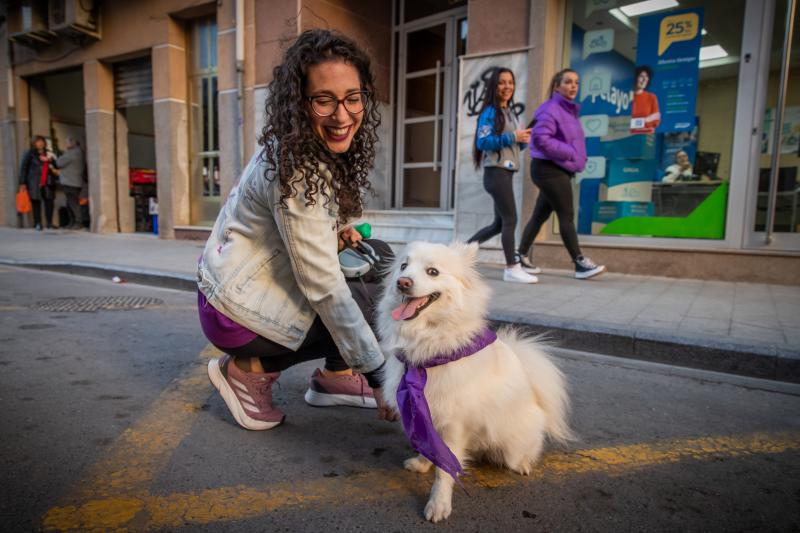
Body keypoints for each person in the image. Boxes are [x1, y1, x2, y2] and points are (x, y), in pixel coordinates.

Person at [197, 29, 399, 431]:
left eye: (352, 98)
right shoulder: (299, 170)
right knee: (369, 294)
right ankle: (248, 371)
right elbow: (323, 286)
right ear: (300, 103)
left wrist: (336, 229)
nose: (342, 115)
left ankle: (337, 377)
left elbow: (304, 224)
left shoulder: (299, 146)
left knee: (380, 259)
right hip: (236, 314)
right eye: (324, 100)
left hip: (231, 290)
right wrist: (379, 376)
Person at [517, 69, 606, 280]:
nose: (573, 86)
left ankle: (520, 255)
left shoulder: (567, 111)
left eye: (576, 82)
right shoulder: (550, 109)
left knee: (540, 215)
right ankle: (580, 263)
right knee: (566, 215)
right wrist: (570, 153)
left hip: (556, 169)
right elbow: (540, 139)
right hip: (549, 170)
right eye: (568, 82)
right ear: (557, 86)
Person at [466, 67, 536, 284]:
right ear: (494, 87)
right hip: (496, 173)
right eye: (502, 83)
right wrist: (513, 136)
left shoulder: (510, 112)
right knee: (510, 219)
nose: (507, 87)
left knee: (498, 224)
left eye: (511, 82)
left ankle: (460, 254)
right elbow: (483, 142)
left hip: (505, 171)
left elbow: (511, 145)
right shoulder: (490, 112)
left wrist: (521, 140)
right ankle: (511, 268)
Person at [18, 135, 58, 230]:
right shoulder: (30, 154)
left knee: (49, 202)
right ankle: (38, 223)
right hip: (34, 181)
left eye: (42, 141)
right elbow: (24, 168)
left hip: (48, 181)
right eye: (38, 141)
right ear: (34, 143)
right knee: (36, 203)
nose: (40, 143)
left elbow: (56, 167)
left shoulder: (49, 154)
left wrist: (52, 161)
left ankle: (49, 223)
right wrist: (22, 182)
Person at [56, 136, 86, 229]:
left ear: (73, 143)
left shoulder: (73, 153)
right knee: (69, 203)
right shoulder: (78, 152)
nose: (66, 144)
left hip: (71, 182)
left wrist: (62, 154)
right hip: (72, 182)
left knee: (73, 203)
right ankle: (72, 222)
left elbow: (59, 163)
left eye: (67, 142)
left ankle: (78, 222)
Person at [630, 65, 660, 134]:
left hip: (645, 136)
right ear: (635, 78)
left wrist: (634, 122)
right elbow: (625, 123)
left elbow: (656, 122)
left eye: (646, 77)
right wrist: (646, 120)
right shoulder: (626, 96)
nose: (644, 79)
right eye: (641, 76)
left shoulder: (652, 97)